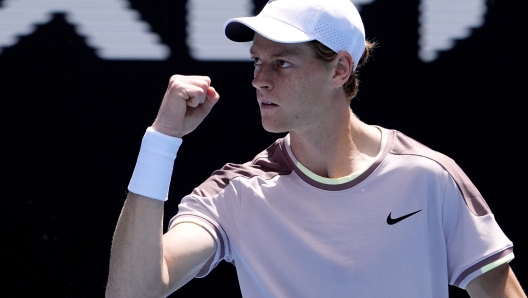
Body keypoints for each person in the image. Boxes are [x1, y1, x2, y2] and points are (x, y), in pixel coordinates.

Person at [106, 0, 525, 297]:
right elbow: (134, 292)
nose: (259, 80)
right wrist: (161, 141)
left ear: (340, 69)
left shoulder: (431, 177)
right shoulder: (234, 194)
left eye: (281, 63)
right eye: (257, 61)